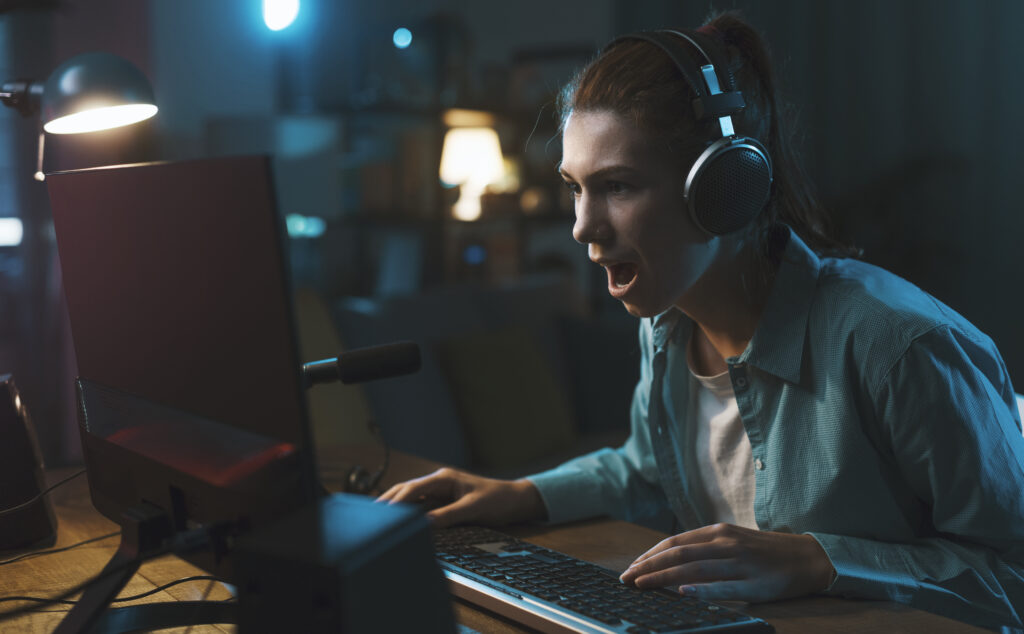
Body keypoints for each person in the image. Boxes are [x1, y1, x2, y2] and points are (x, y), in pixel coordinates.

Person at [379, 11, 1024, 630]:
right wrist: (519, 493)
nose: (582, 227)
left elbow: (1011, 577)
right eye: (575, 187)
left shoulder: (902, 346)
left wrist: (819, 560)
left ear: (725, 186)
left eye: (619, 187)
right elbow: (642, 470)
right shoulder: (665, 323)